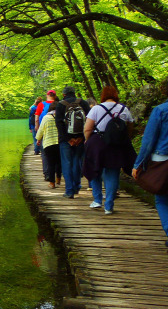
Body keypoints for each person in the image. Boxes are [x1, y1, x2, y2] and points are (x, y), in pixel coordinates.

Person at [83, 86, 136, 214]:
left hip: (97, 142)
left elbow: (88, 128)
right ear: (116, 95)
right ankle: (109, 205)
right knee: (113, 173)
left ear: (103, 96)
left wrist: (87, 140)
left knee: (94, 169)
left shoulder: (96, 108)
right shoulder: (124, 109)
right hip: (116, 145)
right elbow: (130, 127)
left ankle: (97, 200)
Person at [132, 78, 168, 246]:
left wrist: (138, 164)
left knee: (161, 198)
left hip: (162, 161)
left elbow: (148, 142)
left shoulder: (160, 110)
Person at [55, 86, 90, 199]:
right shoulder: (83, 103)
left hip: (66, 141)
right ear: (74, 93)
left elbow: (59, 124)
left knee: (66, 164)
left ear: (64, 94)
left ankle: (69, 191)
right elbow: (89, 121)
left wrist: (67, 139)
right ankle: (76, 187)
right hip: (80, 139)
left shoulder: (61, 104)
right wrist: (82, 137)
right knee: (77, 162)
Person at [36, 96, 62, 188]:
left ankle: (52, 183)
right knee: (59, 162)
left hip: (48, 143)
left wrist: (38, 139)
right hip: (59, 142)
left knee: (51, 163)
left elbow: (41, 130)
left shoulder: (46, 117)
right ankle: (58, 178)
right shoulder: (61, 116)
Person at [36, 90, 56, 179]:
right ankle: (57, 174)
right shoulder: (59, 104)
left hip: (44, 130)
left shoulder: (41, 104)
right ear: (55, 96)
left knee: (44, 153)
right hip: (57, 133)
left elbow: (36, 118)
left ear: (47, 95)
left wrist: (37, 128)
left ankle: (47, 173)